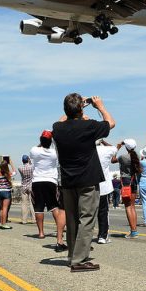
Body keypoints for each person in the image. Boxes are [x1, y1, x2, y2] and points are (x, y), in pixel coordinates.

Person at [53, 94, 115, 271]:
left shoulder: (57, 128)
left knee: (72, 220)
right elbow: (110, 123)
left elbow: (61, 120)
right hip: (87, 178)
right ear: (80, 109)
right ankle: (79, 260)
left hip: (67, 180)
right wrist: (100, 106)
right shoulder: (89, 126)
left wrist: (76, 109)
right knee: (87, 218)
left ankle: (73, 255)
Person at [30, 130, 66, 247]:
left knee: (38, 207)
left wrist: (43, 141)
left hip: (37, 181)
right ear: (50, 142)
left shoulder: (34, 150)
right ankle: (59, 230)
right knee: (54, 206)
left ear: (40, 140)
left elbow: (38, 146)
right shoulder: (54, 152)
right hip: (51, 181)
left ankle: (41, 232)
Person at [113, 139, 142, 238]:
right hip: (133, 181)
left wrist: (117, 148)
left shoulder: (123, 157)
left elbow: (113, 160)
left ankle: (133, 231)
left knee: (128, 207)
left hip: (125, 182)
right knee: (132, 206)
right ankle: (135, 230)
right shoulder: (136, 156)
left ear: (126, 147)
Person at [96, 140, 118, 244]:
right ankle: (102, 236)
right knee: (103, 212)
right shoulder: (105, 150)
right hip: (103, 186)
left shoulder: (86, 149)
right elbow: (114, 148)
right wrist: (103, 141)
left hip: (88, 185)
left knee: (86, 213)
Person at [0, 158, 16, 229]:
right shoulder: (8, 174)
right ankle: (4, 224)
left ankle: (1, 223)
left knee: (1, 208)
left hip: (0, 191)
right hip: (6, 191)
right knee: (5, 208)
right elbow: (15, 172)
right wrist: (11, 164)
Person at [17, 154, 34, 224]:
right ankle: (34, 219)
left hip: (23, 186)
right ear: (28, 160)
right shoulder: (32, 167)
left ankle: (24, 220)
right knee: (32, 203)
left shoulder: (20, 168)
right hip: (31, 186)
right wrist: (30, 162)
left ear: (22, 161)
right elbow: (33, 166)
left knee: (24, 204)